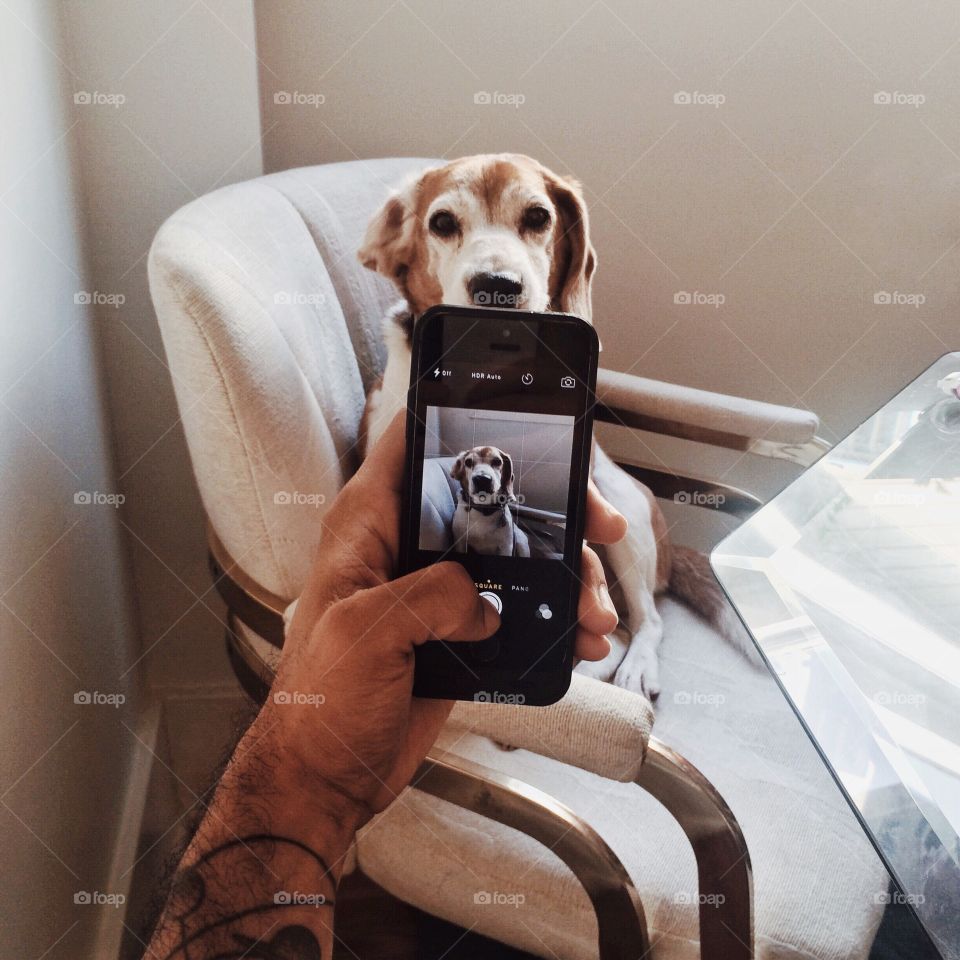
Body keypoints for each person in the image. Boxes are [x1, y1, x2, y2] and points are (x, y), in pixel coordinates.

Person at [143, 413, 627, 959]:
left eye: (493, 464)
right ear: (463, 476)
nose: (484, 471)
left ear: (505, 475)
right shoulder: (449, 511)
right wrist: (314, 775)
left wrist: (310, 775)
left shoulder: (507, 516)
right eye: (473, 463)